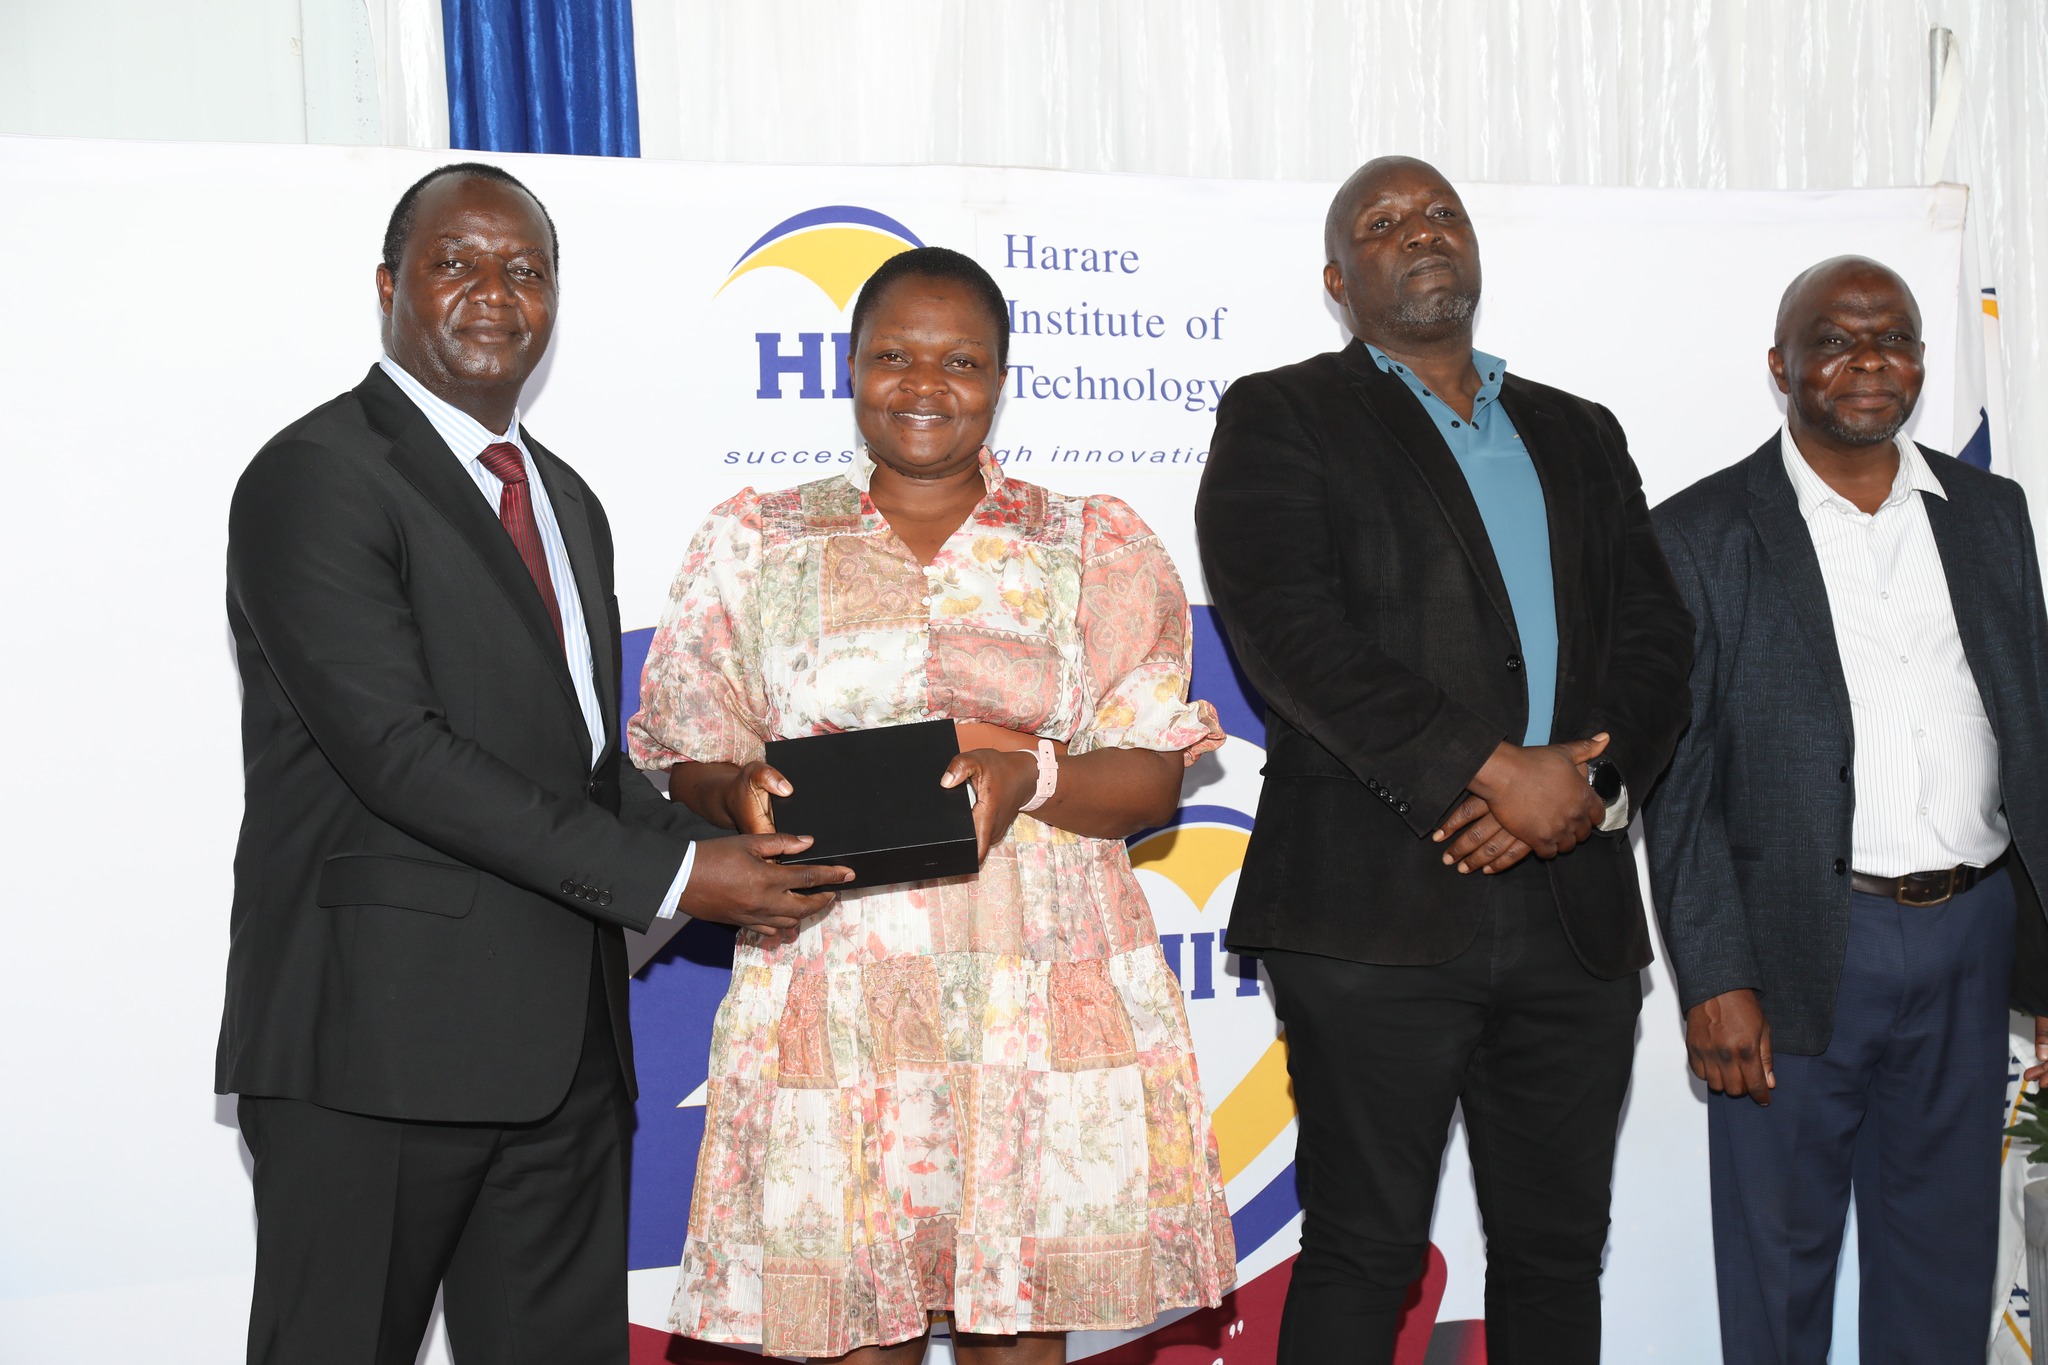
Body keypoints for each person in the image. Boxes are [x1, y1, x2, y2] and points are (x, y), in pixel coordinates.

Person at [218, 162, 847, 1365]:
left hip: (563, 1059)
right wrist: (679, 880)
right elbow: (399, 755)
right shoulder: (317, 476)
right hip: (375, 1051)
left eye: (524, 269)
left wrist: (740, 836)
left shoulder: (564, 499)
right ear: (389, 286)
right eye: (455, 263)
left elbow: (582, 766)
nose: (494, 293)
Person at [630, 245, 1235, 1364]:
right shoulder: (755, 540)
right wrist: (736, 791)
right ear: (849, 367)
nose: (924, 385)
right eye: (894, 356)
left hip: (1039, 982)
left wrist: (1032, 776)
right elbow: (688, 756)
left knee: (1021, 1326)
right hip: (836, 975)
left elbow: (1152, 778)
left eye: (961, 361)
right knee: (856, 1331)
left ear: (1001, 378)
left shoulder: (1090, 543)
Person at [1195, 155, 1694, 1365]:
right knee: (1362, 1255)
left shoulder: (1578, 431)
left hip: (1571, 906)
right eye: (1380, 222)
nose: (1418, 230)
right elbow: (1287, 635)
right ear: (1336, 280)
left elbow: (1655, 639)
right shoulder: (1281, 414)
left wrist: (1583, 788)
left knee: (1555, 1257)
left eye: (1438, 213)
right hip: (1370, 911)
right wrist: (1490, 769)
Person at [1645, 256, 2048, 1364]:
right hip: (1794, 953)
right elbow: (1678, 782)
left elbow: (2030, 729)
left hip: (1970, 937)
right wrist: (1713, 976)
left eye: (1893, 337)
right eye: (1834, 339)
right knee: (1779, 1275)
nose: (1868, 360)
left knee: (1942, 1268)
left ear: (1919, 360)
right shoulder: (1701, 533)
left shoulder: (1991, 514)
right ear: (1780, 367)